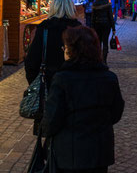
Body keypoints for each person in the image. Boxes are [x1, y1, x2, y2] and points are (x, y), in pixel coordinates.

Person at [42, 25, 125, 173]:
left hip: (70, 154)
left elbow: (52, 119)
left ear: (72, 51)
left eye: (65, 47)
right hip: (99, 152)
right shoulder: (109, 78)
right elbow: (116, 112)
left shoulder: (62, 79)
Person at [25, 0, 81, 133]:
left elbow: (31, 61)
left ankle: (48, 152)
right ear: (71, 8)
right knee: (70, 127)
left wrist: (35, 82)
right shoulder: (78, 30)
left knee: (49, 127)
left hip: (49, 85)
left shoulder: (44, 29)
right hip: (74, 85)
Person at [91, 0, 115, 64]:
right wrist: (113, 28)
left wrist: (92, 27)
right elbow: (110, 17)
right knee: (105, 42)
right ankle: (104, 60)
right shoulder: (107, 4)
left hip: (97, 24)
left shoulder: (95, 4)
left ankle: (98, 59)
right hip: (106, 25)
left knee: (98, 42)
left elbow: (93, 17)